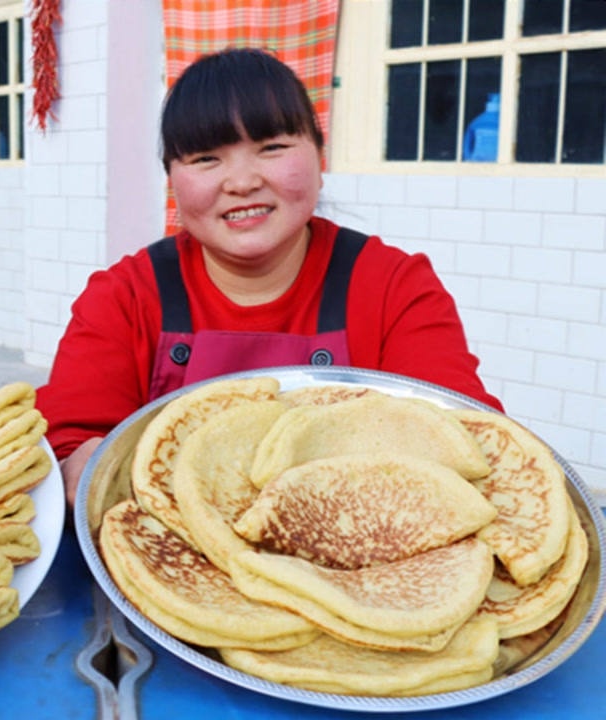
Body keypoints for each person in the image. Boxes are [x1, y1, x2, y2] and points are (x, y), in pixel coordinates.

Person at [35, 47, 503, 506]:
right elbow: (67, 445)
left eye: (272, 148)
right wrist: (82, 465)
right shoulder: (126, 296)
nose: (241, 182)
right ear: (171, 179)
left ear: (321, 158)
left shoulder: (393, 286)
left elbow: (468, 441)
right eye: (205, 159)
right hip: (159, 559)